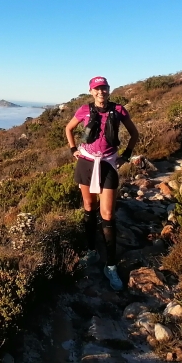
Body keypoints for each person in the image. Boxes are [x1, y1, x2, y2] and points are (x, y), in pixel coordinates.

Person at [64, 76, 139, 290]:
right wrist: (73, 150)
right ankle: (91, 251)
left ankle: (112, 265)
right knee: (89, 207)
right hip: (86, 163)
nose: (101, 92)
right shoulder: (84, 110)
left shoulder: (119, 110)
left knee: (107, 214)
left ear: (108, 90)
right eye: (97, 89)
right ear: (91, 91)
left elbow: (134, 133)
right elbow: (68, 129)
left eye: (104, 88)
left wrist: (126, 155)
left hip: (107, 163)